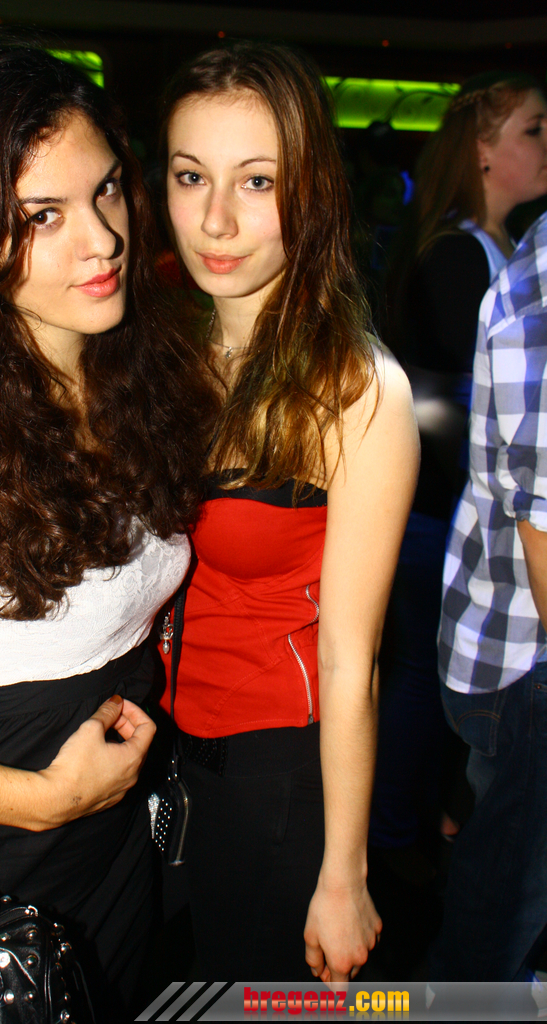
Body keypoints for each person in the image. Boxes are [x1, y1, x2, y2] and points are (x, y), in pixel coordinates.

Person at [0, 42, 214, 1016]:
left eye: (106, 191)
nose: (101, 239)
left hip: (117, 853)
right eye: (42, 217)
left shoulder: (137, 378)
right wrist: (44, 799)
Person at [158, 42, 419, 982]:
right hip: (161, 757)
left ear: (310, 191)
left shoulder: (357, 389)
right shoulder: (175, 355)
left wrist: (344, 872)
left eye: (257, 181)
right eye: (192, 176)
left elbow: (353, 661)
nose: (216, 220)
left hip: (278, 775)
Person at [370, 73, 547, 859]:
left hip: (461, 512)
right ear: (481, 151)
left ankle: (429, 823)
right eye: (533, 130)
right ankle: (395, 841)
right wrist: (493, 466)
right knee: (420, 681)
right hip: (438, 515)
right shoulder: (458, 253)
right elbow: (431, 399)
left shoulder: (503, 247)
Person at [433, 208, 547, 983]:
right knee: (495, 941)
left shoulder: (519, 254)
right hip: (525, 656)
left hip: (504, 636)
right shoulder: (469, 253)